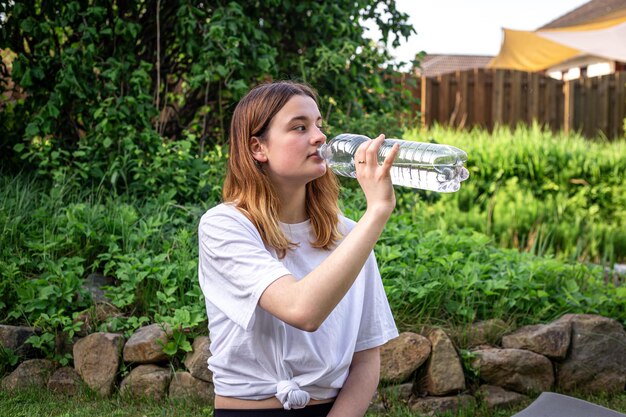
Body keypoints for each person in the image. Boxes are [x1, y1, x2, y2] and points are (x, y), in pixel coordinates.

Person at [198, 81, 400, 417]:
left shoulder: (349, 234)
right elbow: (302, 310)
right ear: (258, 148)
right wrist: (377, 211)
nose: (320, 137)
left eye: (319, 125)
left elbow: (367, 356)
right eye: (300, 127)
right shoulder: (224, 226)